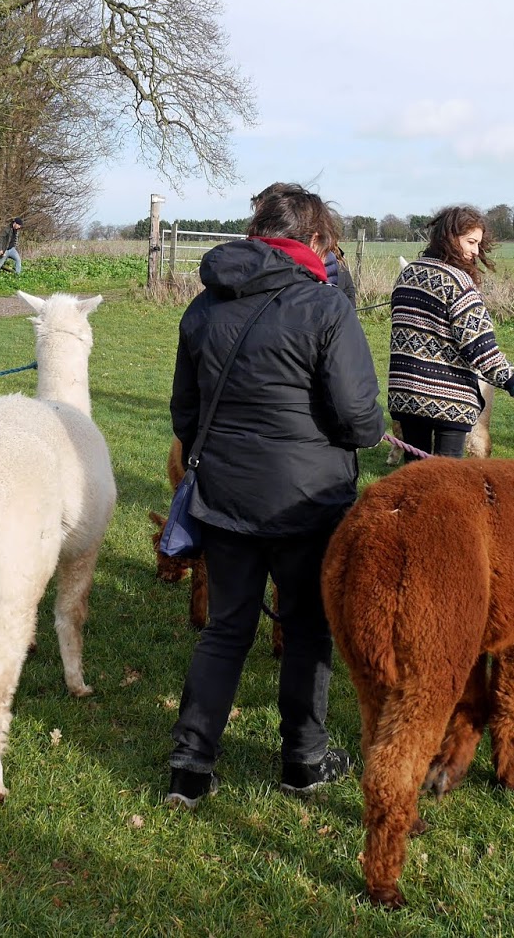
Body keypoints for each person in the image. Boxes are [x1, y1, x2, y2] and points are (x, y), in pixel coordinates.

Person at [166, 182, 384, 809]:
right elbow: (359, 417)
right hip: (307, 501)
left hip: (226, 494)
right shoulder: (326, 307)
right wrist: (363, 434)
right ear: (314, 241)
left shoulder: (204, 305)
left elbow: (185, 412)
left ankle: (192, 761)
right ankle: (303, 758)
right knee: (308, 627)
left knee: (226, 628)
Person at [387, 205, 514, 461]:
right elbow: (479, 345)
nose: (475, 251)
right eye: (470, 242)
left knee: (417, 475)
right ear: (450, 237)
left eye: (478, 244)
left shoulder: (407, 274)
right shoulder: (457, 282)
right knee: (447, 483)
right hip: (447, 400)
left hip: (405, 394)